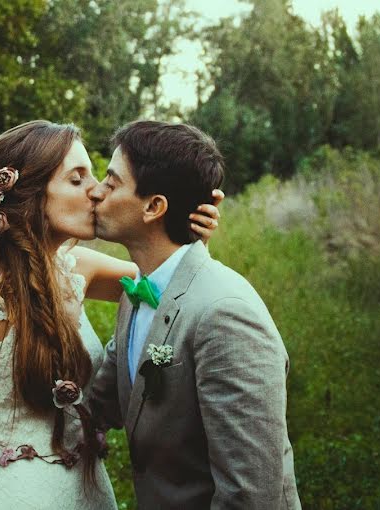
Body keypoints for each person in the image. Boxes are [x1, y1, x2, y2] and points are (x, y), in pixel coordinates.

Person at [0, 120, 222, 509]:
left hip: (85, 493)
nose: (96, 190)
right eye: (77, 180)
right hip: (11, 496)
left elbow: (169, 284)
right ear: (30, 194)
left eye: (94, 176)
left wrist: (189, 236)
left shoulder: (78, 267)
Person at [87, 120, 301, 509]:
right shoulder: (140, 289)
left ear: (154, 207)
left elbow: (251, 496)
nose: (95, 192)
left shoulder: (225, 315)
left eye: (111, 182)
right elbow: (101, 402)